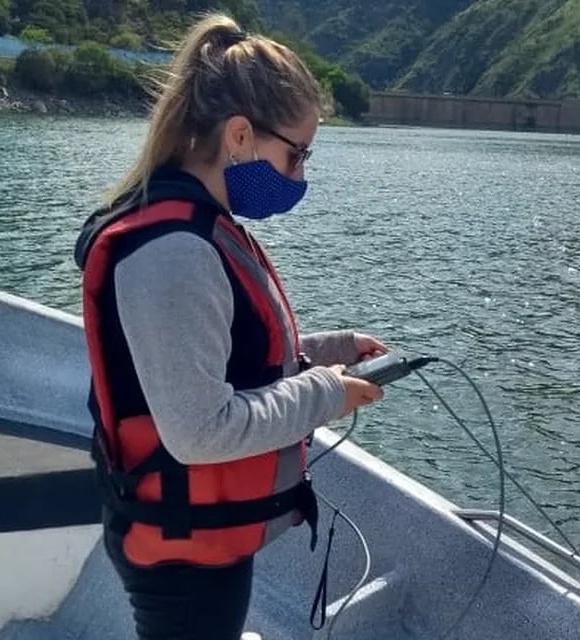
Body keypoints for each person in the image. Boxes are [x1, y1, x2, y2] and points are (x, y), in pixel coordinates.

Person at [72, 12, 388, 640]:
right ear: (240, 135)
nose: (299, 178)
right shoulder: (173, 251)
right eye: (295, 156)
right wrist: (325, 393)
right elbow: (197, 430)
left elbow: (220, 355)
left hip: (198, 534)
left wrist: (329, 352)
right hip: (182, 554)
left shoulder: (198, 225)